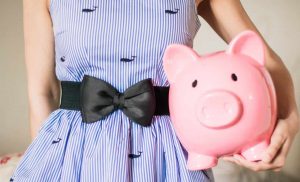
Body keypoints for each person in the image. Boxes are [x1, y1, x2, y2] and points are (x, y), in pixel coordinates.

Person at [10, 0, 299, 181]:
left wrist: (291, 121)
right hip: (74, 152)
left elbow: (266, 61)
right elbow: (43, 93)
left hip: (164, 155)